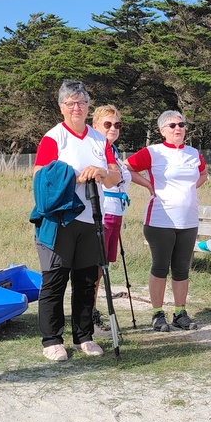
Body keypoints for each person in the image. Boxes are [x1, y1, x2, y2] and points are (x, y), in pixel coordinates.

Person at [31, 81, 121, 362]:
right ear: (61, 107)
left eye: (81, 102)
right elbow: (39, 177)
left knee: (85, 280)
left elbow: (115, 176)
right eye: (70, 103)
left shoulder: (99, 140)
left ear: (88, 106)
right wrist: (75, 176)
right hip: (59, 220)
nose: (76, 108)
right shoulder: (53, 138)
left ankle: (84, 336)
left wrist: (101, 173)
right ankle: (52, 339)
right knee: (55, 279)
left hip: (91, 218)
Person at [127, 110, 207, 332]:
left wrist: (190, 189)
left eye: (181, 124)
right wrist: (148, 184)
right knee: (160, 267)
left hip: (188, 221)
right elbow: (127, 167)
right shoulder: (153, 152)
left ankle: (180, 313)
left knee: (182, 269)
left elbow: (203, 174)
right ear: (162, 130)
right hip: (160, 220)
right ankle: (157, 314)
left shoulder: (193, 153)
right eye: (172, 125)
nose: (178, 128)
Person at [92, 105, 132, 332]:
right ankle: (90, 314)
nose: (113, 128)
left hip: (116, 211)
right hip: (103, 211)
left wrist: (148, 184)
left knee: (103, 267)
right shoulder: (97, 149)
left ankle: (91, 311)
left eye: (117, 124)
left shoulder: (113, 150)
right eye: (107, 124)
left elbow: (126, 175)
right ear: (95, 125)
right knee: (96, 266)